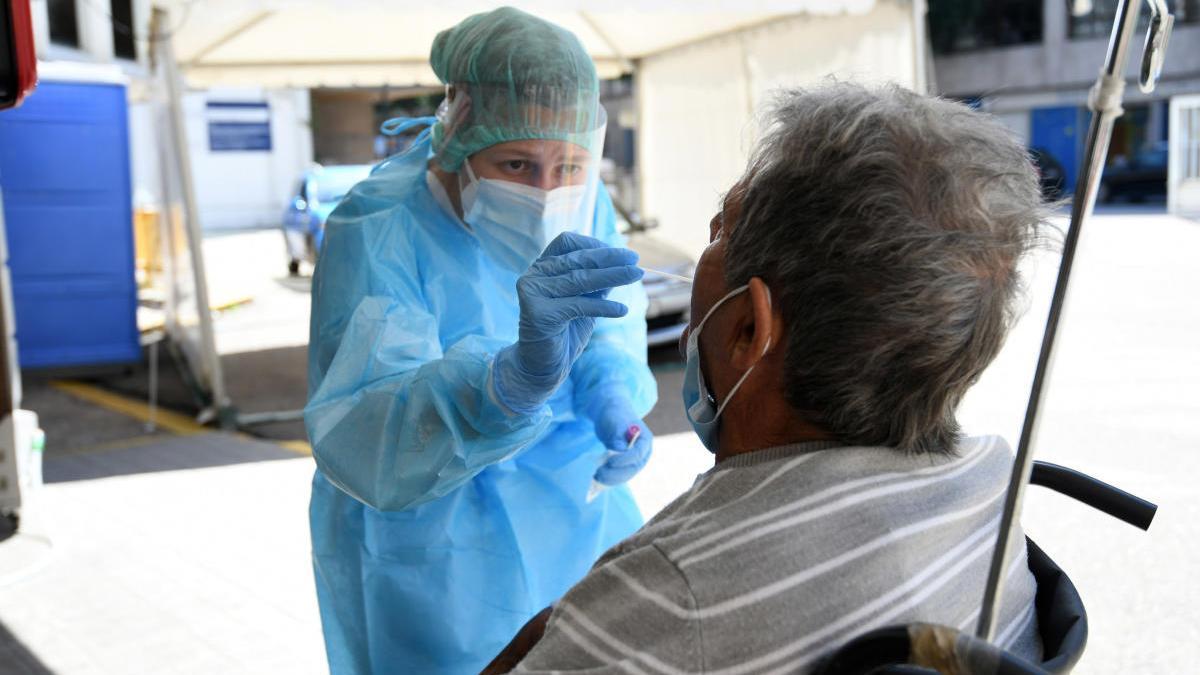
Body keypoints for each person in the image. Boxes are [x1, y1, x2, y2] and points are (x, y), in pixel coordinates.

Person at [487, 82, 1049, 674]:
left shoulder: (674, 596)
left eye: (718, 233)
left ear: (749, 332)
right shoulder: (991, 480)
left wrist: (590, 621)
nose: (704, 244)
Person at [304, 7, 657, 674]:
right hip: (430, 553)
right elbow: (365, 426)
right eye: (518, 163)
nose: (548, 193)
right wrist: (505, 386)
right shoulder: (376, 229)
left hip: (572, 513)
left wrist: (611, 390)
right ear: (459, 135)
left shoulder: (587, 197)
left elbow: (609, 315)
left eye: (570, 165)